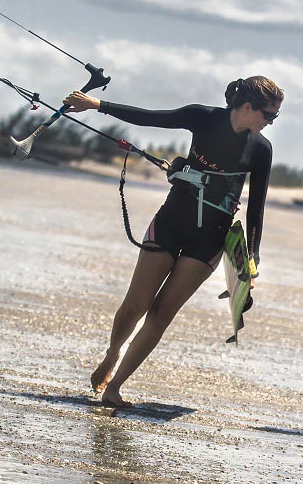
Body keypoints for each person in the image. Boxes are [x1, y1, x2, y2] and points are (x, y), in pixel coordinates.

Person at [62, 76, 283, 406]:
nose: (270, 123)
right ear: (248, 107)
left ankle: (116, 386)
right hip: (171, 221)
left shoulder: (261, 149)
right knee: (135, 304)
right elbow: (152, 116)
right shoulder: (203, 117)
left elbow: (257, 208)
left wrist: (253, 258)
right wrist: (97, 105)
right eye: (269, 115)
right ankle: (112, 355)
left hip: (210, 238)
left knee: (162, 312)